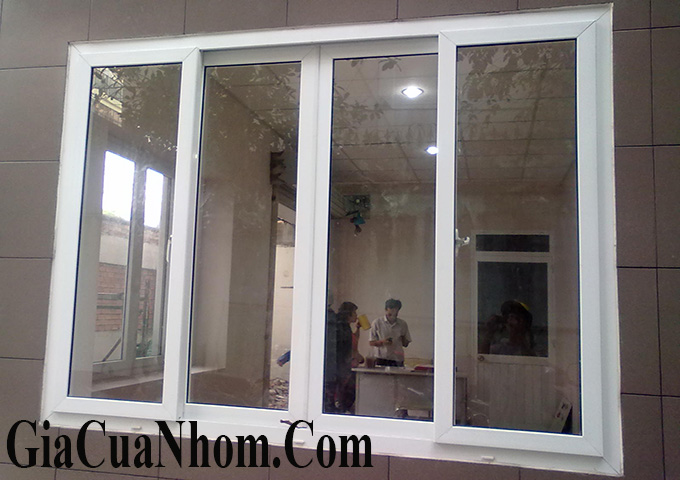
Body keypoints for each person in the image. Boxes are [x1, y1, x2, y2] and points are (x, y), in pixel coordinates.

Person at [369, 298, 411, 367]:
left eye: (396, 310)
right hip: (381, 358)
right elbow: (371, 342)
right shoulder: (377, 322)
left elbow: (405, 344)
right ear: (386, 309)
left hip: (397, 359)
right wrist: (383, 342)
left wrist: (402, 337)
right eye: (391, 309)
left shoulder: (402, 324)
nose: (394, 312)